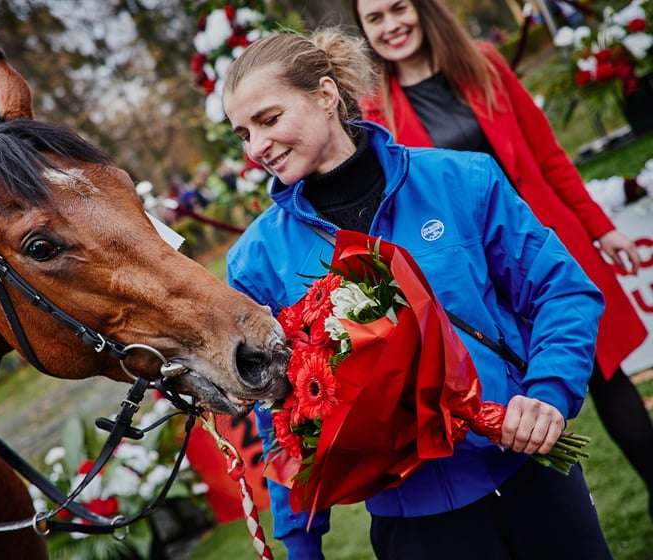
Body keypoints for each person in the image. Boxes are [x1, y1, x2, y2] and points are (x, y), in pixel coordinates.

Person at [221, 27, 614, 559]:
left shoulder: (460, 179)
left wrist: (549, 391)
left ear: (326, 95)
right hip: (413, 524)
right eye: (243, 134)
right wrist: (301, 542)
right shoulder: (256, 260)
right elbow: (281, 413)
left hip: (530, 472)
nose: (256, 148)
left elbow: (561, 291)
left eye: (268, 120)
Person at [353, 0, 653, 520]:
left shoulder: (484, 64)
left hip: (539, 250)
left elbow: (549, 156)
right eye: (374, 18)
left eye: (398, 8)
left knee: (606, 375)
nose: (391, 25)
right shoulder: (375, 109)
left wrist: (600, 228)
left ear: (423, 9)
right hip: (471, 277)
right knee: (505, 405)